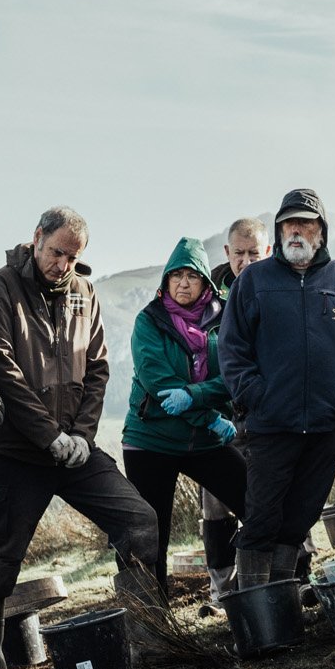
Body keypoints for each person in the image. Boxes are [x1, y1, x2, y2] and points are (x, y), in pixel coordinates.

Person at [0, 208, 162, 669]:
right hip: (18, 451)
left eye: (73, 257)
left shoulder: (84, 290)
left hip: (76, 448)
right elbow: (3, 369)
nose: (63, 264)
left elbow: (97, 367)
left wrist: (81, 435)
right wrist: (47, 435)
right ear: (37, 238)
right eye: (57, 252)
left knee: (139, 520)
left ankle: (149, 638)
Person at [221, 188, 335, 587]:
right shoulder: (254, 281)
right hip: (272, 425)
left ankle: (281, 604)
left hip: (327, 426)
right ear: (279, 230)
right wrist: (257, 396)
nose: (297, 231)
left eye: (306, 223)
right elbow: (232, 349)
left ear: (321, 232)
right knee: (261, 518)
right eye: (290, 223)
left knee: (301, 516)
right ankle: (255, 615)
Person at [122, 238, 248, 593]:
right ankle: (154, 626)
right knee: (151, 535)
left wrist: (196, 396)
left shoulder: (226, 319)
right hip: (151, 440)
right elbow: (159, 385)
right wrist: (207, 417)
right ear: (165, 280)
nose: (183, 283)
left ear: (205, 282)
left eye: (191, 276)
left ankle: (262, 590)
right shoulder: (148, 321)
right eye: (175, 275)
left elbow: (234, 376)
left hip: (205, 442)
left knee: (255, 504)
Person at [201, 219, 268, 603]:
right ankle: (222, 588)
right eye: (239, 254)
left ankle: (292, 572)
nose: (245, 261)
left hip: (265, 415)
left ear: (266, 252)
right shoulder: (206, 298)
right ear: (227, 253)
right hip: (220, 418)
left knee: (273, 493)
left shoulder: (279, 288)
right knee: (216, 506)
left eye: (253, 253)